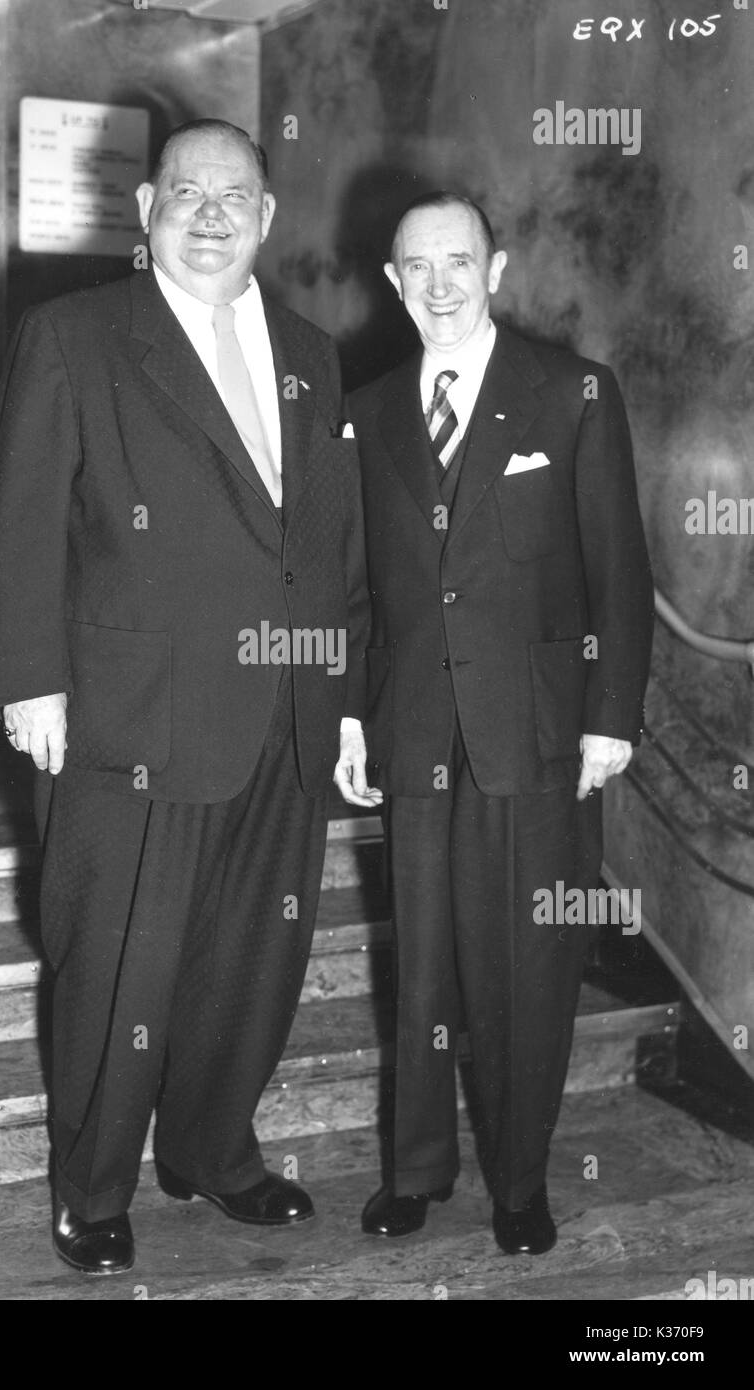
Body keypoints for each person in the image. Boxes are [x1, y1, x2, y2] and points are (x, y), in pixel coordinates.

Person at [0, 119, 371, 1275]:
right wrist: (29, 679)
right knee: (117, 959)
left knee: (255, 958)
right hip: (131, 712)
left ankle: (215, 1152)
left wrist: (342, 699)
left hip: (284, 713)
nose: (211, 213)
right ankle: (92, 1187)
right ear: (145, 207)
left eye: (235, 195)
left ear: (268, 216)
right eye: (186, 193)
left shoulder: (311, 350)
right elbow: (22, 524)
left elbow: (329, 540)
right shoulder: (74, 336)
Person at [348, 192, 654, 1253]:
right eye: (416, 266)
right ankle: (415, 1172)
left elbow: (620, 572)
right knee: (420, 964)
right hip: (417, 733)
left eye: (459, 262)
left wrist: (612, 716)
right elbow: (358, 590)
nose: (439, 284)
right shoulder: (369, 409)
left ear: (498, 268)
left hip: (535, 733)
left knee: (528, 965)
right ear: (393, 281)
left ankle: (520, 1180)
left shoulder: (570, 393)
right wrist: (353, 717)